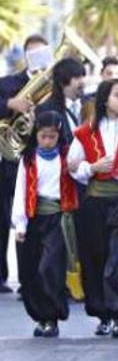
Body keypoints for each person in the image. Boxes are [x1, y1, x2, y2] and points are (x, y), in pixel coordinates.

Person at [67, 79, 118, 338]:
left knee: (116, 260)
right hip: (94, 202)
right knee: (95, 259)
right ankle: (102, 314)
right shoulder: (85, 132)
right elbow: (73, 167)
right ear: (104, 99)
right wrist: (93, 168)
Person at [11, 111, 79, 338]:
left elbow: (82, 176)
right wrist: (20, 225)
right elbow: (21, 191)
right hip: (33, 219)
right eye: (43, 136)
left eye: (53, 136)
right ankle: (42, 317)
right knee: (31, 272)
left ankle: (53, 314)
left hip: (57, 219)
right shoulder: (28, 160)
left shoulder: (67, 157)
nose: (48, 141)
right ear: (36, 136)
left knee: (49, 267)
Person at [0, 34, 52, 293]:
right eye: (33, 52)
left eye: (43, 52)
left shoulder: (54, 84)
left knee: (37, 219)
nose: (39, 57)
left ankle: (33, 279)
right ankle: (3, 276)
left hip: (43, 159)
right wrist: (10, 103)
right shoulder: (9, 83)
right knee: (5, 216)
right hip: (10, 159)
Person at [35, 57, 86, 146]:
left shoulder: (91, 103)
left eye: (82, 76)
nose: (82, 82)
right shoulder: (46, 109)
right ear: (62, 82)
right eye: (77, 77)